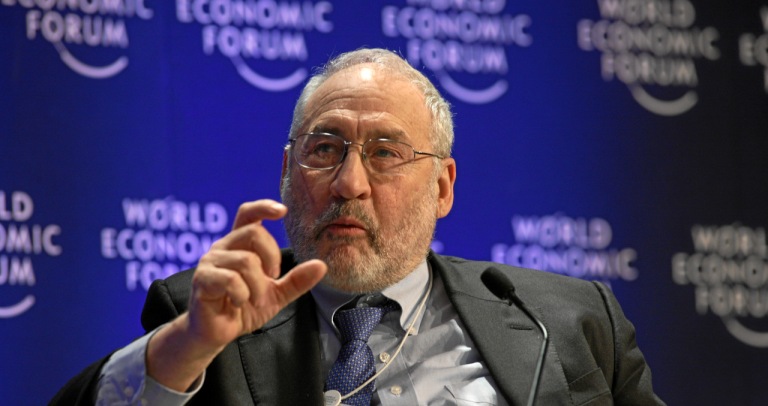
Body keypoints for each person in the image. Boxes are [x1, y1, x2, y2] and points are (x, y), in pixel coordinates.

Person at [52, 48, 665, 405]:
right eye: (325, 149)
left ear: (443, 187)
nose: (349, 183)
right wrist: (186, 345)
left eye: (385, 153)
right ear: (288, 174)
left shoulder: (567, 320)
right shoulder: (205, 316)